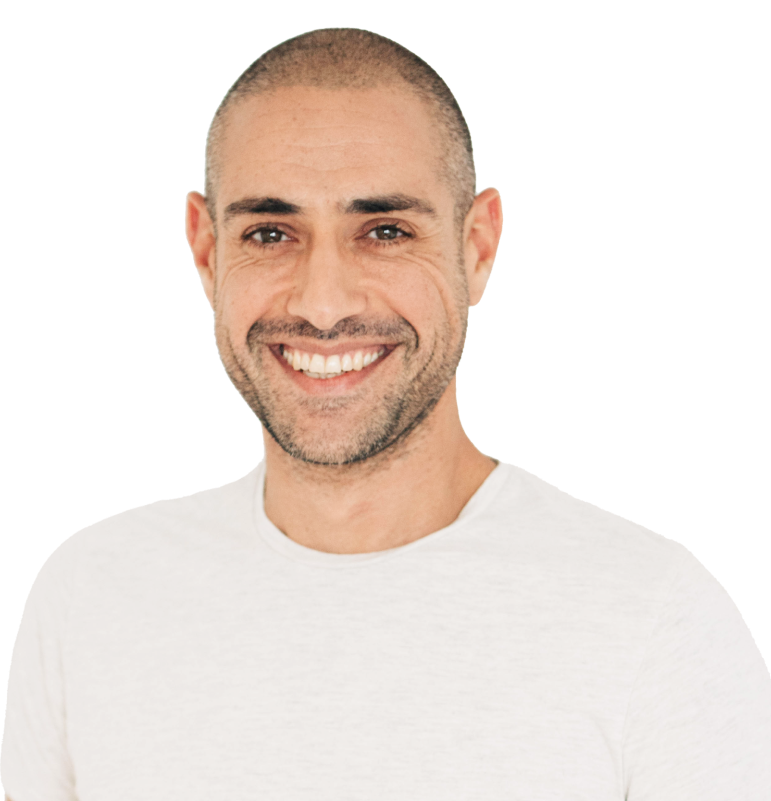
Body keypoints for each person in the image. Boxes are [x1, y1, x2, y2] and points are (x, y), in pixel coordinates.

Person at [2, 27, 769, 801]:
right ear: (206, 251)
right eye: (269, 233)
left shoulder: (655, 616)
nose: (323, 303)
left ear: (476, 247)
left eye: (385, 231)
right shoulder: (89, 594)